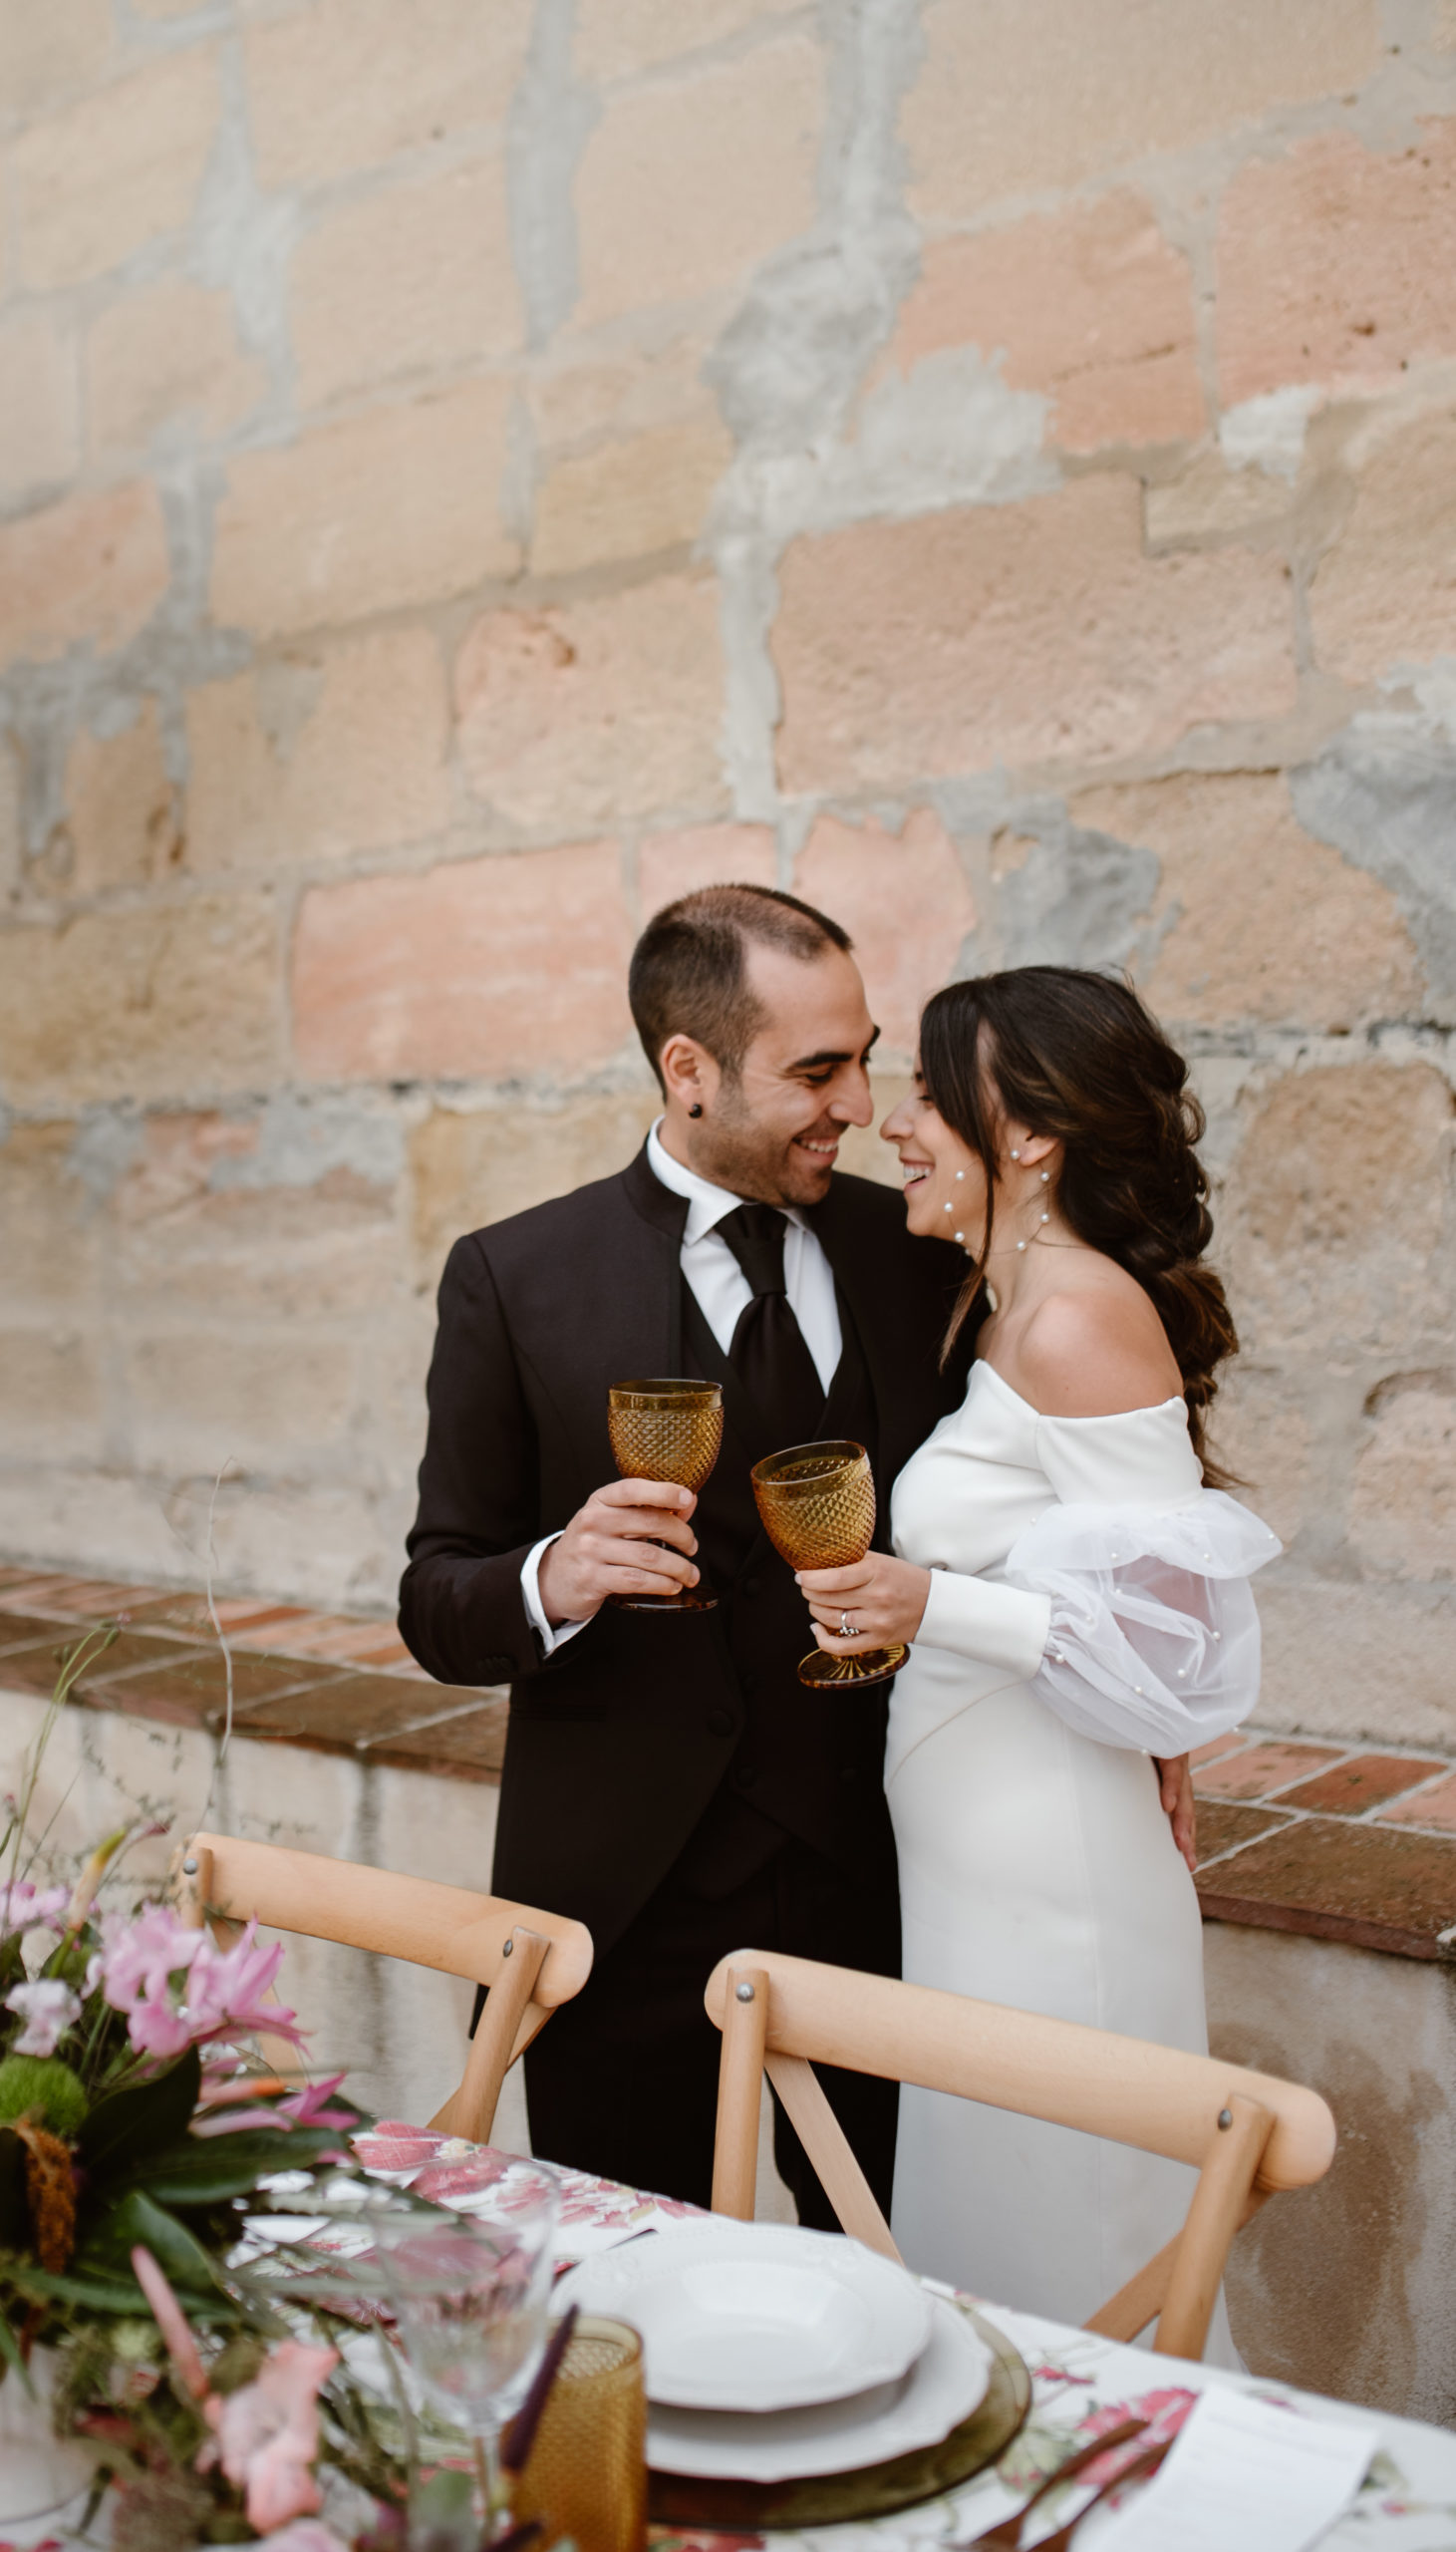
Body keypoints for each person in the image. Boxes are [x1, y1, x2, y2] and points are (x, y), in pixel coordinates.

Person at [398, 884, 977, 2218]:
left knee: (905, 2277)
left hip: (889, 1880)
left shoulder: (919, 1256)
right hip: (624, 1906)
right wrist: (554, 1572)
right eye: (816, 1070)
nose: (858, 1101)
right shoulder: (514, 1276)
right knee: (636, 2303)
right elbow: (436, 1597)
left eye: (864, 1055)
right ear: (688, 1069)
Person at [796, 965, 1278, 2345]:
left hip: (1053, 1883)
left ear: (1026, 1136)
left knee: (1079, 2261)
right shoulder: (1001, 1307)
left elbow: (1172, 1636)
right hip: (978, 1867)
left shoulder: (1077, 1313)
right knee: (993, 2255)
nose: (896, 1125)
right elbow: (1107, 1578)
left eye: (930, 1098)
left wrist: (923, 1604)